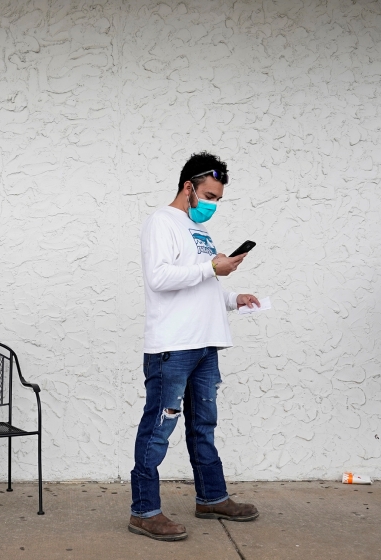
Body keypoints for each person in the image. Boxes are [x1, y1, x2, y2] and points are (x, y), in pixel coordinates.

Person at [129, 152, 261, 541]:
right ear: (188, 187)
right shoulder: (161, 222)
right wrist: (210, 268)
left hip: (206, 344)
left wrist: (233, 296)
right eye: (208, 195)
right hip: (173, 346)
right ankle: (144, 511)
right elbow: (159, 277)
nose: (212, 204)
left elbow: (202, 283)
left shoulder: (197, 231)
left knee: (203, 425)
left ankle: (212, 497)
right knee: (159, 428)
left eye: (218, 199)